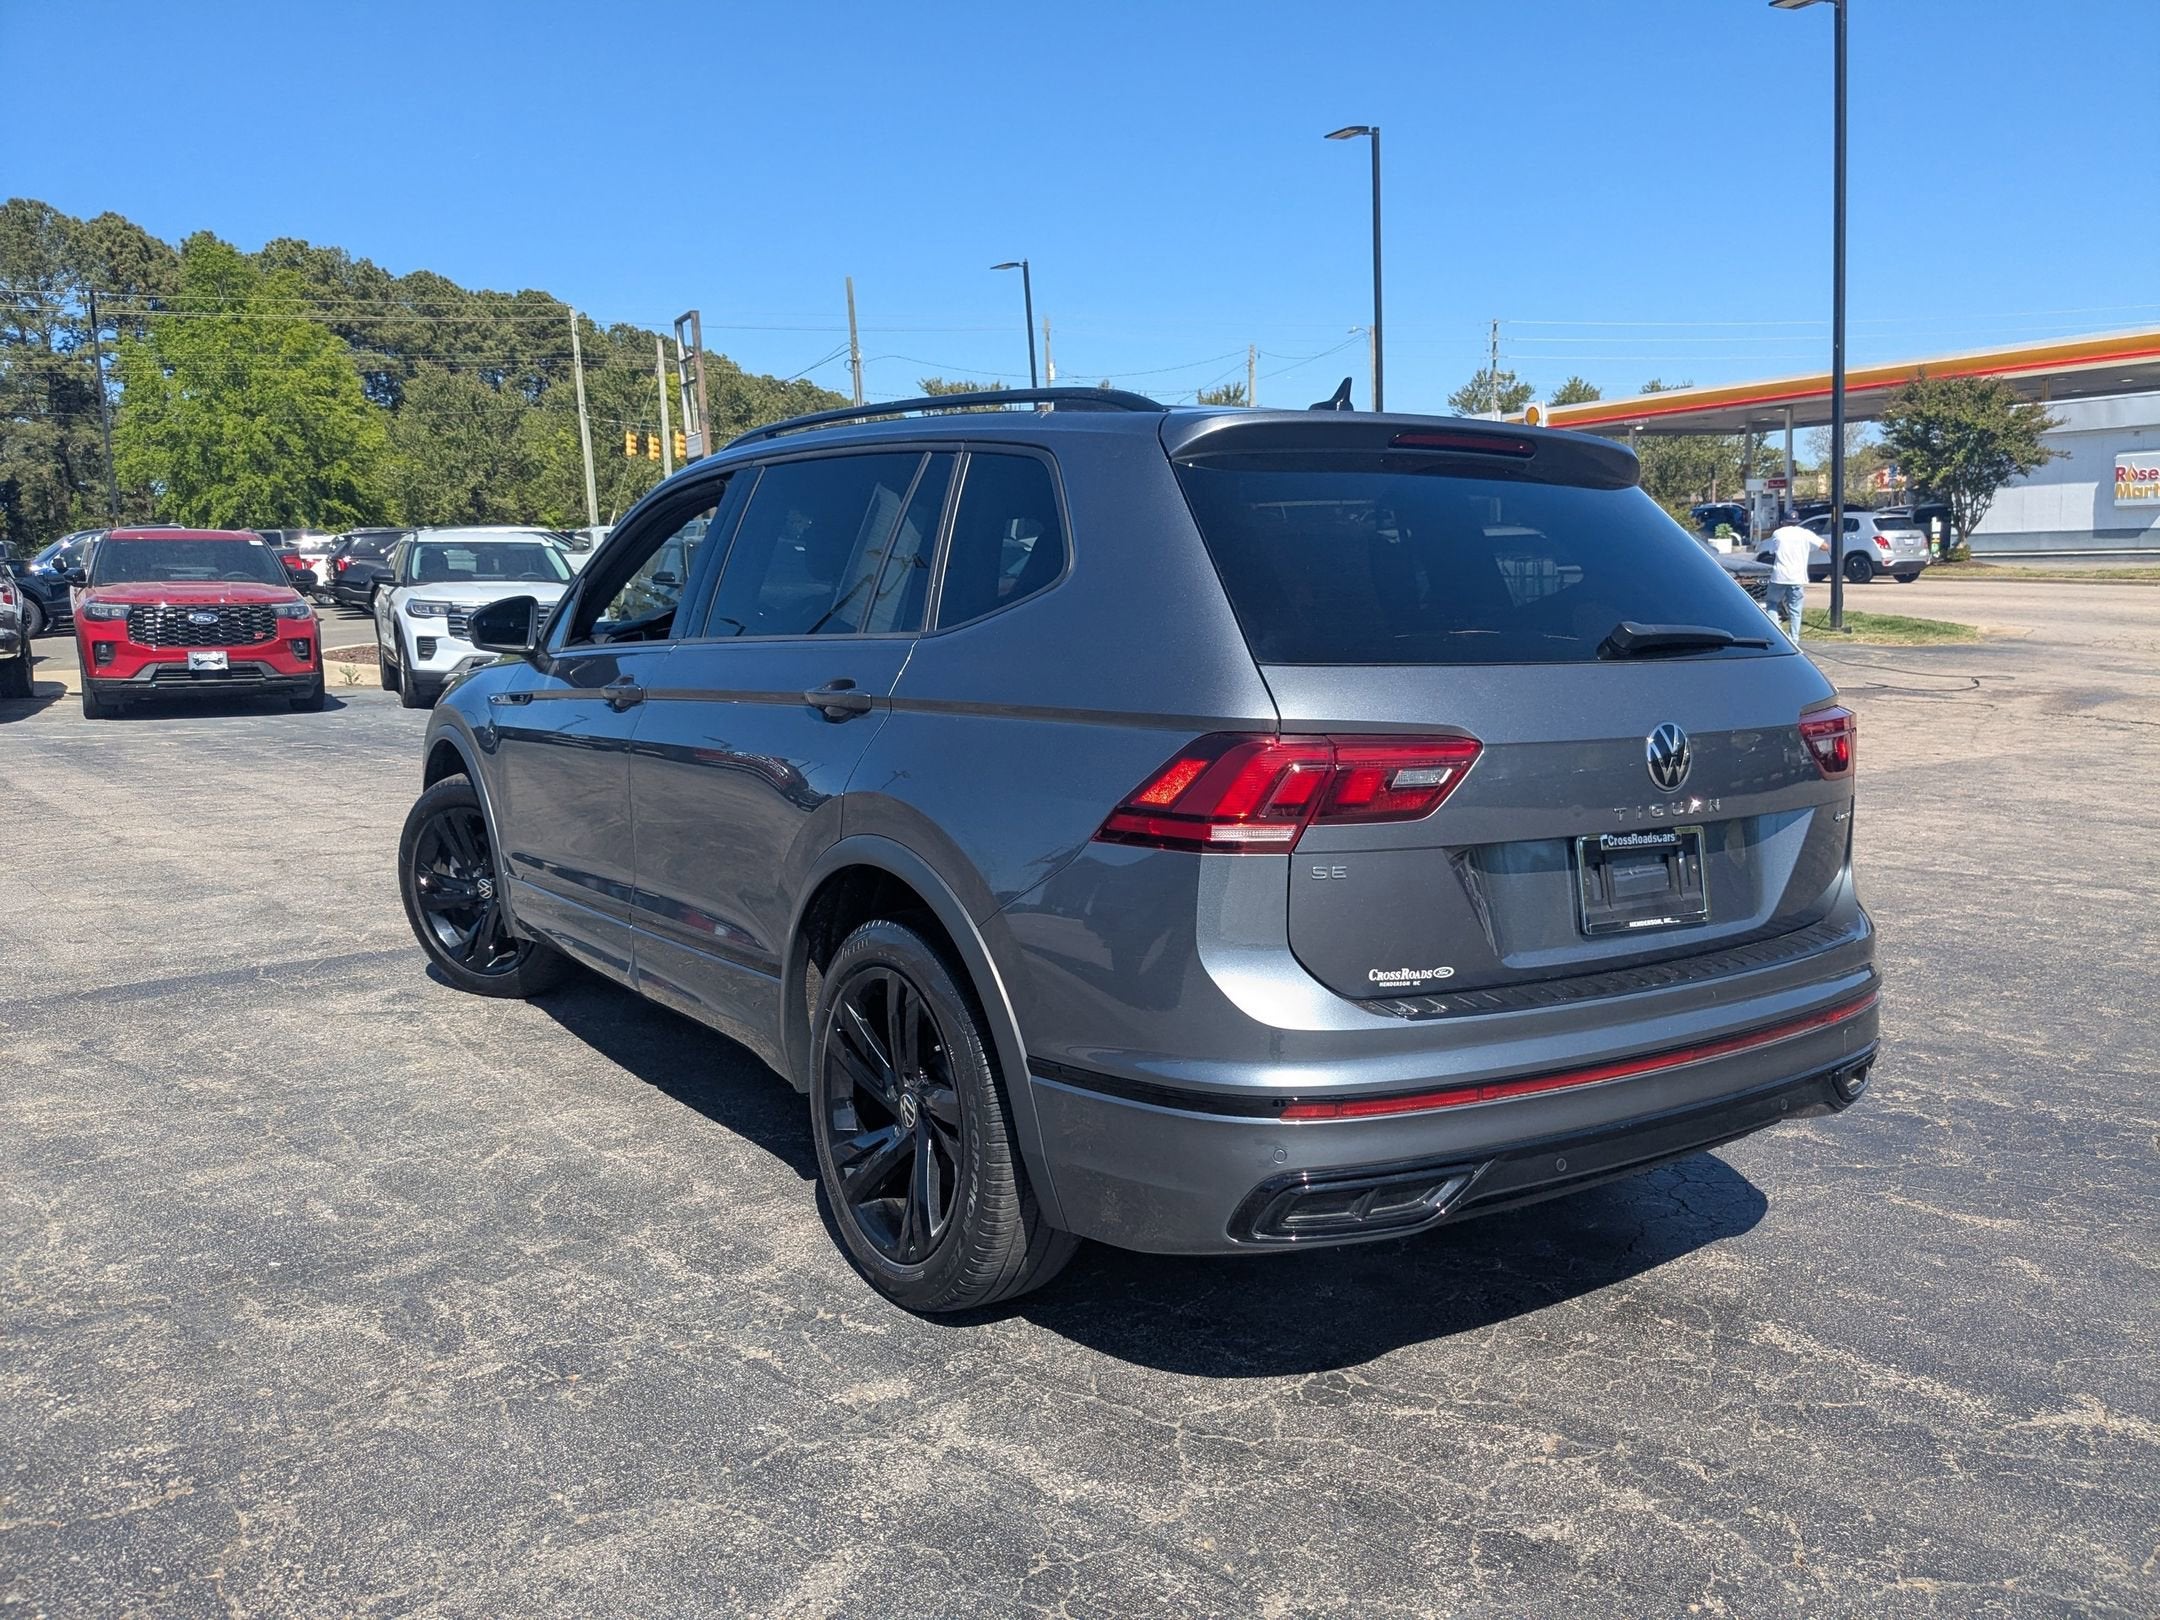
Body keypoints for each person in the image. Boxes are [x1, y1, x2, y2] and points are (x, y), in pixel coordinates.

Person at [1764, 517, 1813, 643]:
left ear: (1783, 522)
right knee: (1795, 609)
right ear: (1797, 522)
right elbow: (1824, 546)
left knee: (1772, 603)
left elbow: (1771, 551)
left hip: (1779, 576)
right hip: (1797, 577)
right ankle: (1794, 639)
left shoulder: (1778, 533)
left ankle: (1777, 634)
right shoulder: (1805, 533)